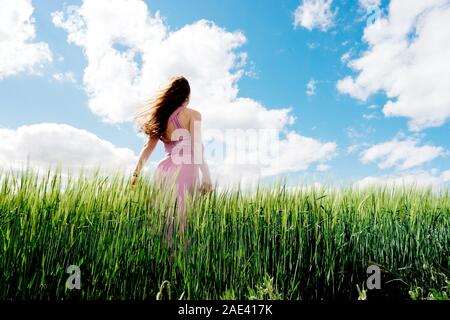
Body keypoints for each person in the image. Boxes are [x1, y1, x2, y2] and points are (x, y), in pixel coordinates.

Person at [131, 76, 212, 245]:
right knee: (183, 220)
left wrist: (135, 175)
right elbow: (197, 146)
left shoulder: (161, 116)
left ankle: (160, 261)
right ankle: (178, 263)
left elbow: (148, 148)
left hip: (164, 170)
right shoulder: (193, 114)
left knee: (163, 218)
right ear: (187, 98)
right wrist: (206, 175)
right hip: (186, 169)